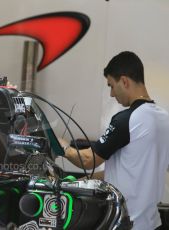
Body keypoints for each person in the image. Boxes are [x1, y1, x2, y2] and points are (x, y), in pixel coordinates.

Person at [59, 51, 169, 230]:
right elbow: (133, 171)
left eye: (111, 85)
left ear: (124, 81)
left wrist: (62, 147)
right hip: (152, 223)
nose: (111, 94)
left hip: (126, 223)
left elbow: (88, 160)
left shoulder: (127, 119)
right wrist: (75, 182)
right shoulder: (165, 119)